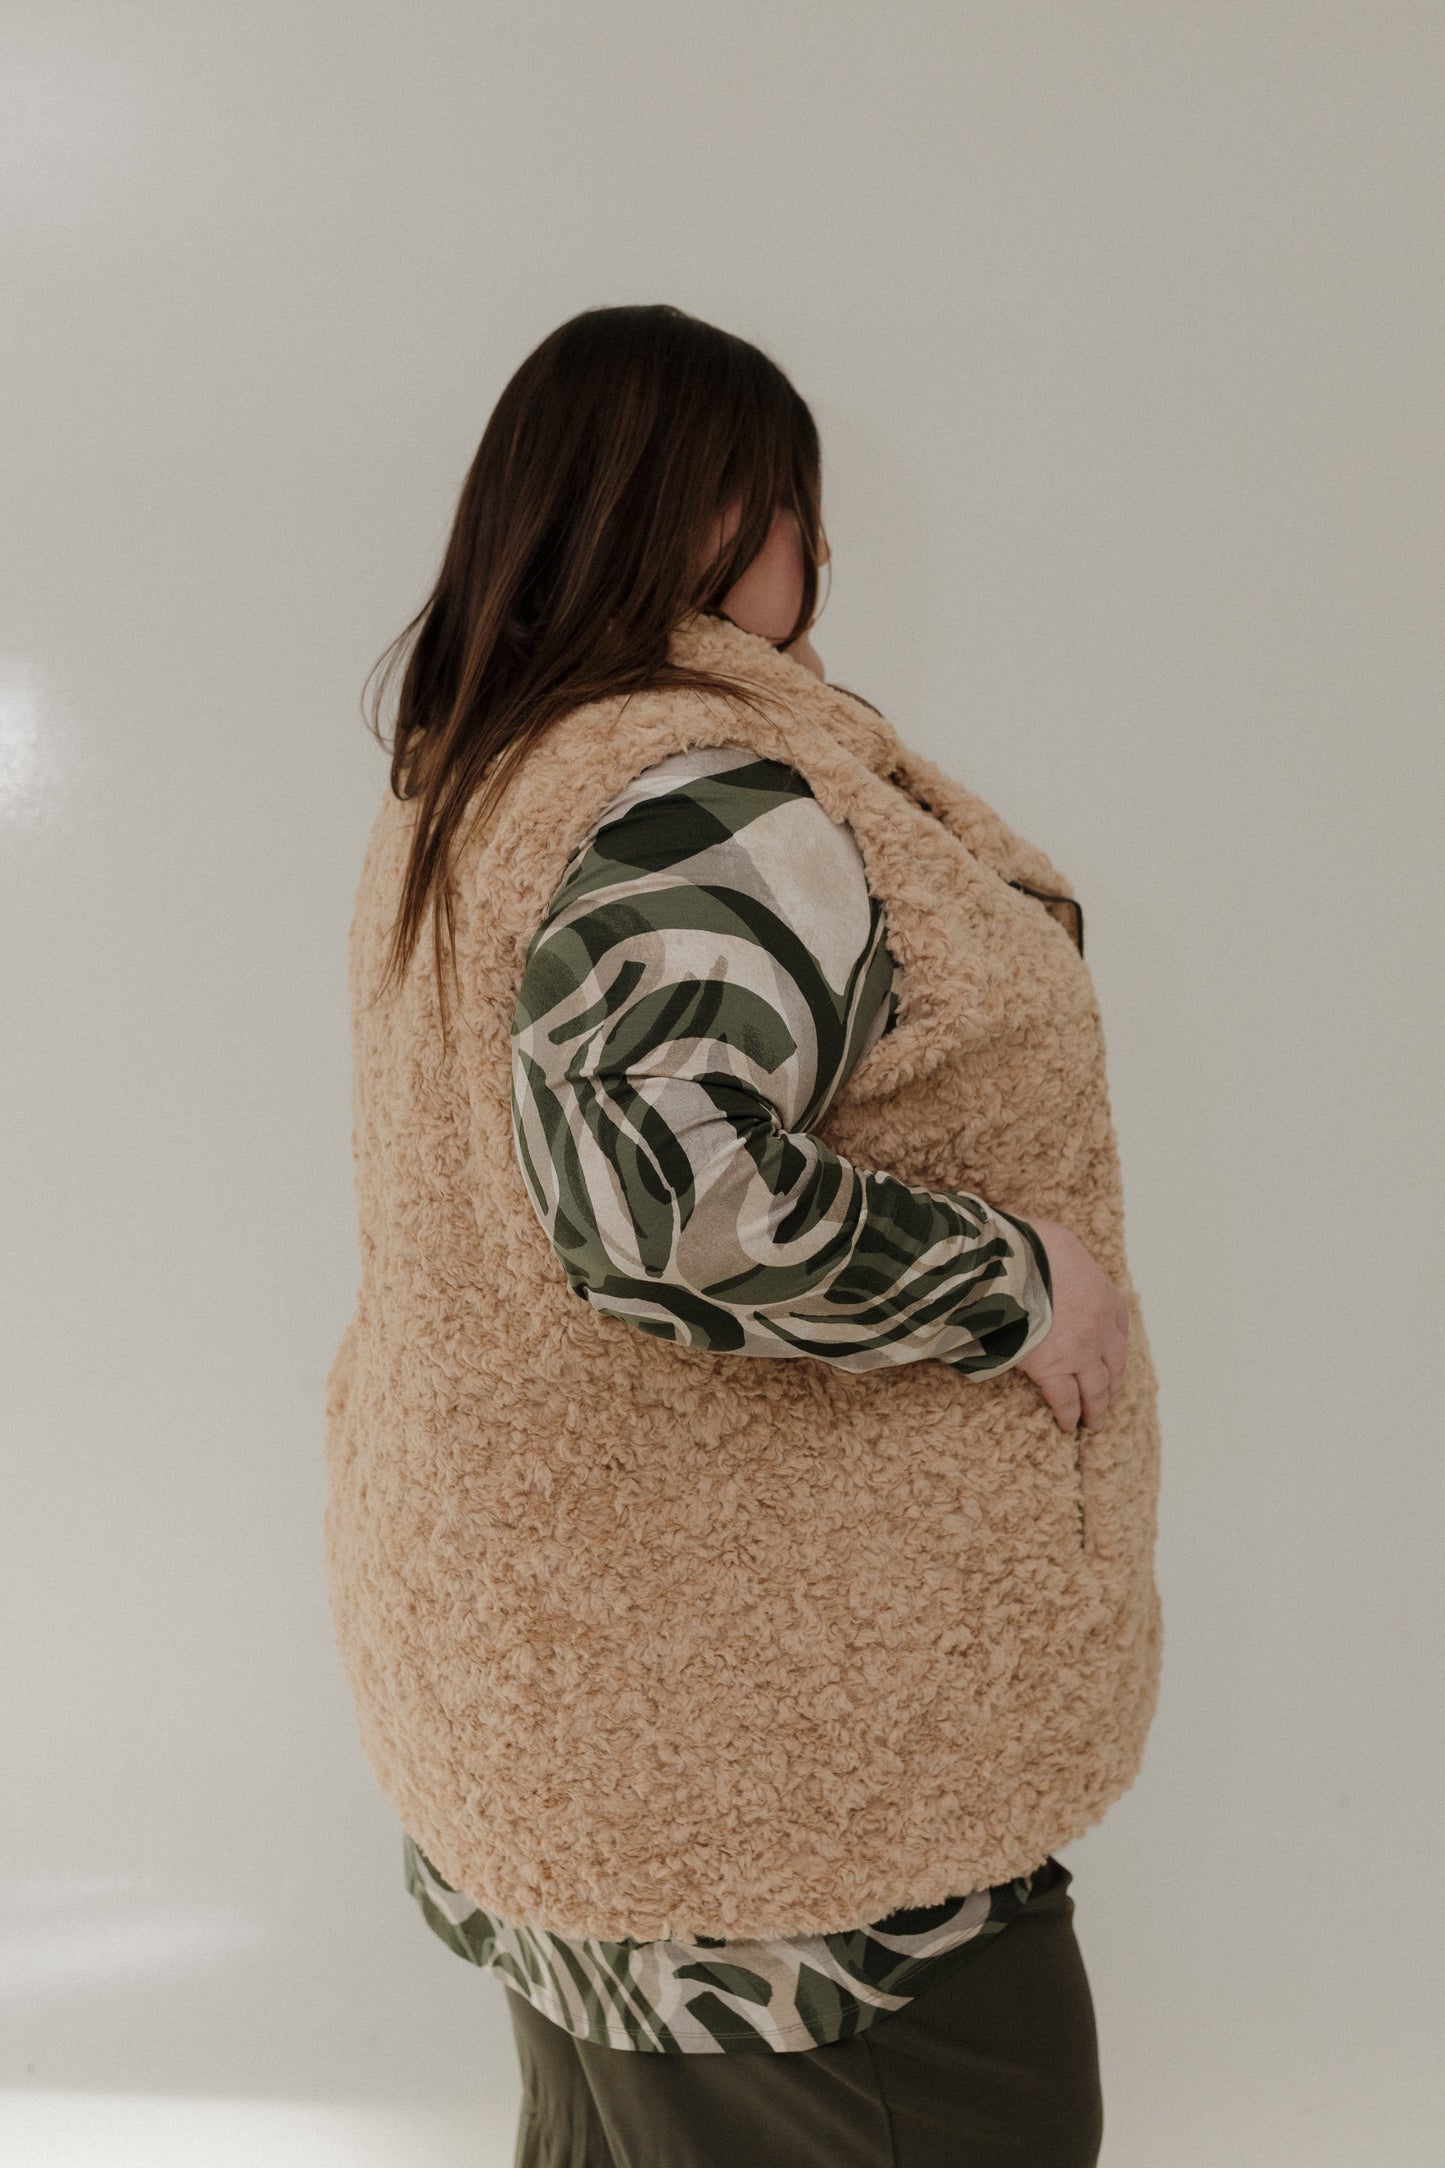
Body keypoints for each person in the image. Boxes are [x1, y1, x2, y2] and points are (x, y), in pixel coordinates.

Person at [325, 304, 1163, 2168]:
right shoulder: (695, 790)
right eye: (797, 506)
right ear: (708, 513)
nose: (827, 558)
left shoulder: (479, 776)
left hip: (582, 1697)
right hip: (779, 1787)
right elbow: (657, 1197)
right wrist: (1015, 1286)